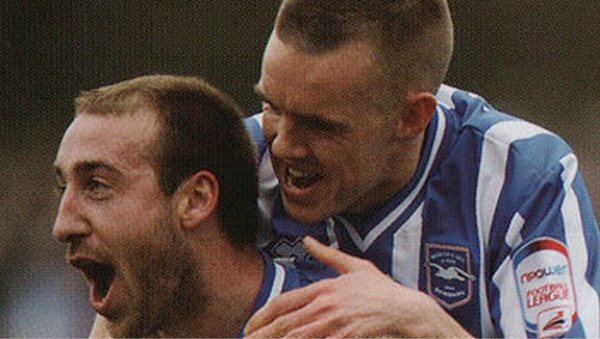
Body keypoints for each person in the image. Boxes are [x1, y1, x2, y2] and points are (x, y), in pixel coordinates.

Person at [242, 0, 600, 337]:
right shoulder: (237, 161)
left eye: (320, 125)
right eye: (272, 105)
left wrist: (425, 324)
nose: (284, 144)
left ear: (411, 117)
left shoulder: (523, 179)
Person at [52, 75, 320, 338]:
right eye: (63, 188)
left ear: (195, 200)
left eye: (97, 185)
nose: (62, 227)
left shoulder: (335, 324)